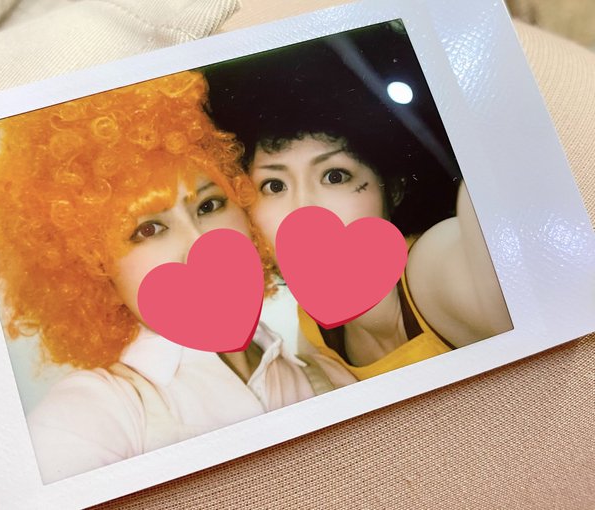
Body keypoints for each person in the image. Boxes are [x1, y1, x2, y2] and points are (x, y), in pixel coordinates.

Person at [0, 71, 355, 483]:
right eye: (148, 229)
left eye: (209, 206)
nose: (199, 243)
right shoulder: (91, 419)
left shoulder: (327, 377)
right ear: (97, 273)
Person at [205, 21, 513, 380]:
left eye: (335, 176)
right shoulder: (313, 332)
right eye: (274, 185)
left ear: (393, 190)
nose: (304, 210)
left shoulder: (433, 270)